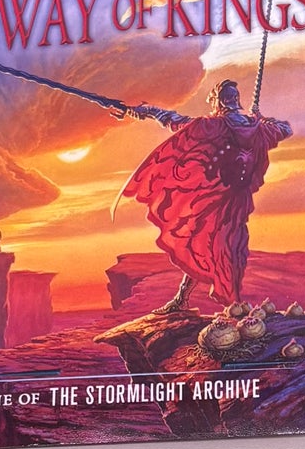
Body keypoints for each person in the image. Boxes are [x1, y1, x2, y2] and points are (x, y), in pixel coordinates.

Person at [121, 79, 291, 314]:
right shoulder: (259, 129)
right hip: (237, 201)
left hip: (216, 199)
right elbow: (285, 129)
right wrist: (262, 119)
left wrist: (145, 111)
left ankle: (221, 303)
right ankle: (195, 299)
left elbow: (175, 120)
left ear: (219, 101)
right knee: (227, 247)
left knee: (201, 243)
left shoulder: (213, 126)